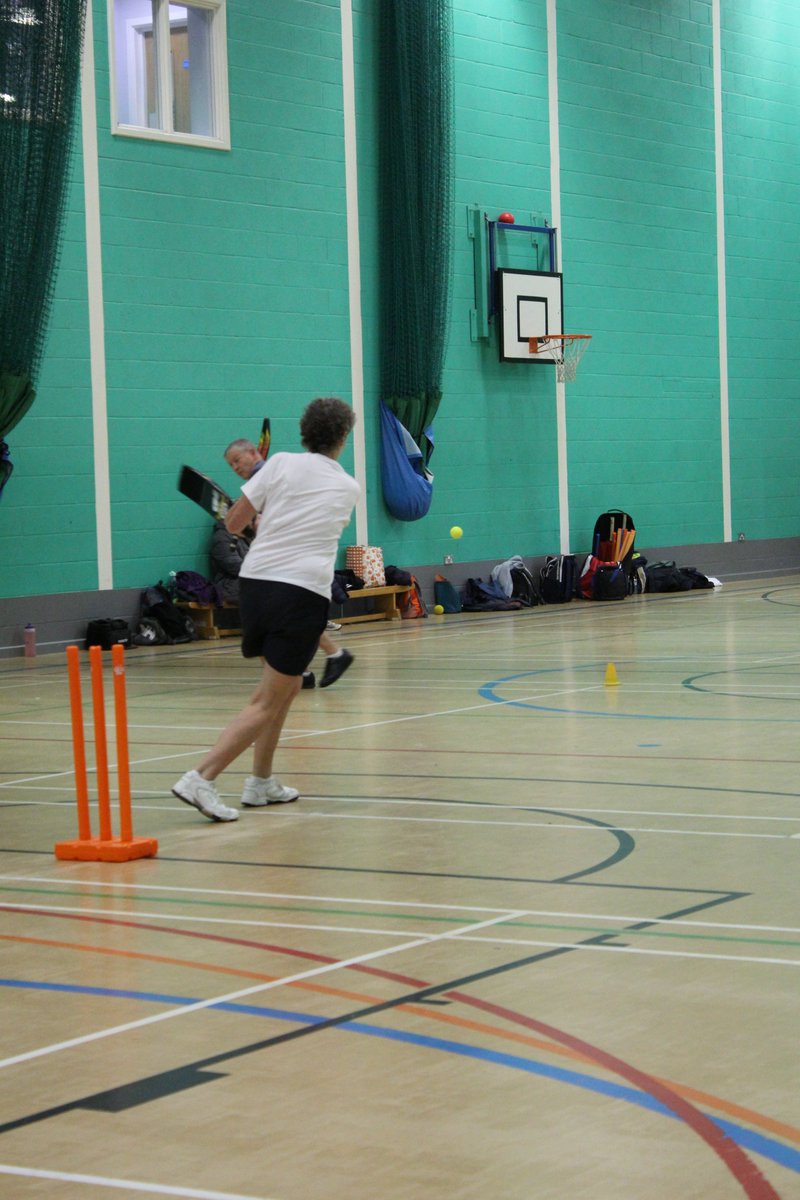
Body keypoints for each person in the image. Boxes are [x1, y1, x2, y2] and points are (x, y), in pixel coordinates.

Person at [172, 397, 360, 822]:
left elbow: (235, 524)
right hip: (299, 594)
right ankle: (201, 778)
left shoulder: (277, 466)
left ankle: (261, 782)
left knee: (286, 688)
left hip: (254, 587)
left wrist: (263, 518)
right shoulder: (348, 487)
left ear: (302, 432)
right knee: (266, 699)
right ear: (343, 438)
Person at [223, 437, 352, 689]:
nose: (236, 467)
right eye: (231, 465)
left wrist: (250, 526)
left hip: (284, 568)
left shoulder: (268, 474)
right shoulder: (279, 475)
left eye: (237, 460)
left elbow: (241, 523)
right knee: (290, 621)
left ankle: (293, 675)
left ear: (253, 452)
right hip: (298, 568)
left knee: (272, 622)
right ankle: (321, 662)